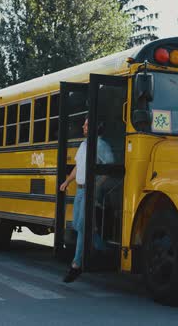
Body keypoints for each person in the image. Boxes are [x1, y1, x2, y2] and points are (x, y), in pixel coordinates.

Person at [60, 117, 113, 283]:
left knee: (83, 226)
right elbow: (78, 166)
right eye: (84, 123)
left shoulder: (101, 145)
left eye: (87, 124)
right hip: (80, 189)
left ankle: (76, 264)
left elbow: (110, 168)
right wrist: (67, 181)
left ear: (96, 127)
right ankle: (105, 251)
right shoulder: (84, 145)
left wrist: (96, 186)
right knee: (78, 224)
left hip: (90, 190)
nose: (83, 126)